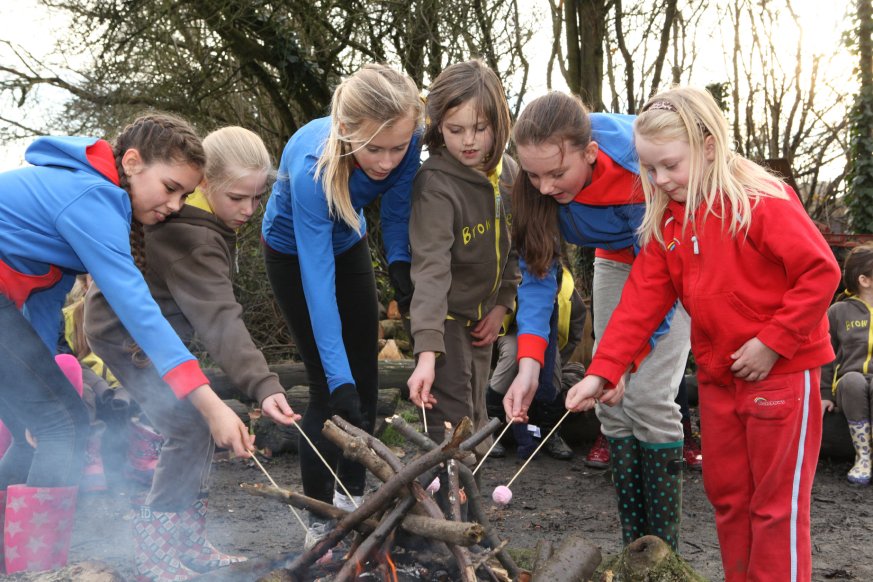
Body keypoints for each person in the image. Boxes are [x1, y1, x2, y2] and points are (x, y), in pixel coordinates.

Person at [558, 86, 841, 582]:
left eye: (670, 165)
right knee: (729, 496)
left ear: (708, 146)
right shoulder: (670, 222)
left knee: (776, 506)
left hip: (781, 375)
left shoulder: (763, 202)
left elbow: (820, 271)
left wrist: (773, 341)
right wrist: (603, 371)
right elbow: (640, 302)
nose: (660, 179)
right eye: (649, 169)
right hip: (718, 378)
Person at [0, 113, 252, 576]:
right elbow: (140, 312)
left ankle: (19, 566)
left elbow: (42, 301)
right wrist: (211, 404)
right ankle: (32, 573)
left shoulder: (85, 195)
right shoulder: (92, 198)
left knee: (51, 425)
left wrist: (33, 398)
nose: (175, 204)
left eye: (184, 194)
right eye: (170, 187)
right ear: (133, 162)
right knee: (64, 428)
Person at [86, 126, 296, 579]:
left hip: (149, 334)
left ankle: (187, 543)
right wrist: (263, 385)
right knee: (187, 427)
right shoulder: (192, 238)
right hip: (125, 335)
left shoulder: (200, 223)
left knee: (198, 425)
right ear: (205, 184)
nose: (248, 210)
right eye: (238, 197)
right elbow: (220, 319)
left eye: (257, 198)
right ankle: (156, 553)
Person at [503, 91, 692, 551]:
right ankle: (636, 552)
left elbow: (660, 282)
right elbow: (538, 274)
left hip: (675, 259)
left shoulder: (638, 157)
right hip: (616, 260)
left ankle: (663, 558)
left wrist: (626, 359)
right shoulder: (534, 187)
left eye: (556, 173)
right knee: (609, 400)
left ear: (589, 153)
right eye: (533, 174)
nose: (544, 187)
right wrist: (528, 363)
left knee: (646, 396)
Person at [261, 64, 423, 547]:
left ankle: (354, 509)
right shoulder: (314, 164)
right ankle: (318, 524)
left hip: (346, 236)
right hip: (294, 253)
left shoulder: (408, 139)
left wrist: (399, 263)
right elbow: (317, 280)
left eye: (398, 147)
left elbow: (395, 208)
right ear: (346, 130)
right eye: (375, 149)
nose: (388, 160)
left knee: (367, 385)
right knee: (332, 392)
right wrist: (339, 378)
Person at [405, 60, 519, 457]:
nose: (469, 141)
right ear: (437, 127)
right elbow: (431, 270)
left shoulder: (509, 175)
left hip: (483, 322)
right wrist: (427, 354)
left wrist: (503, 303)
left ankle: (467, 514)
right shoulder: (436, 185)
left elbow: (513, 247)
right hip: (445, 320)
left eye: (480, 129)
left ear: (499, 124)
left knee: (476, 421)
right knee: (452, 428)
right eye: (455, 130)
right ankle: (445, 516)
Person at [486, 264, 584, 460]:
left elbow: (575, 331)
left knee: (552, 360)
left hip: (549, 335)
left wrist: (558, 358)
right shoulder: (510, 277)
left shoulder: (567, 289)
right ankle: (490, 425)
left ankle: (549, 429)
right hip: (511, 332)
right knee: (514, 352)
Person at [822, 242, 873, 485]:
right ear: (864, 280)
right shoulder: (838, 311)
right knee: (853, 381)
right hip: (848, 387)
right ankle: (863, 456)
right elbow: (824, 354)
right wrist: (823, 395)